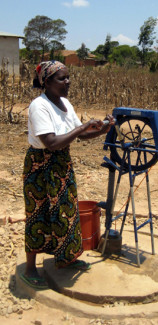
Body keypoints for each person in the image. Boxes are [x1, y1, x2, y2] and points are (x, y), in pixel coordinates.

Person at [21, 60, 114, 289]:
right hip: (40, 166)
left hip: (61, 164)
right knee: (38, 213)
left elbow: (78, 136)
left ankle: (66, 258)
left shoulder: (65, 103)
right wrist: (83, 127)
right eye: (62, 78)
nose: (67, 82)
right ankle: (30, 268)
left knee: (66, 211)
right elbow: (51, 142)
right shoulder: (39, 106)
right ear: (47, 82)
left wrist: (102, 130)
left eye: (68, 77)